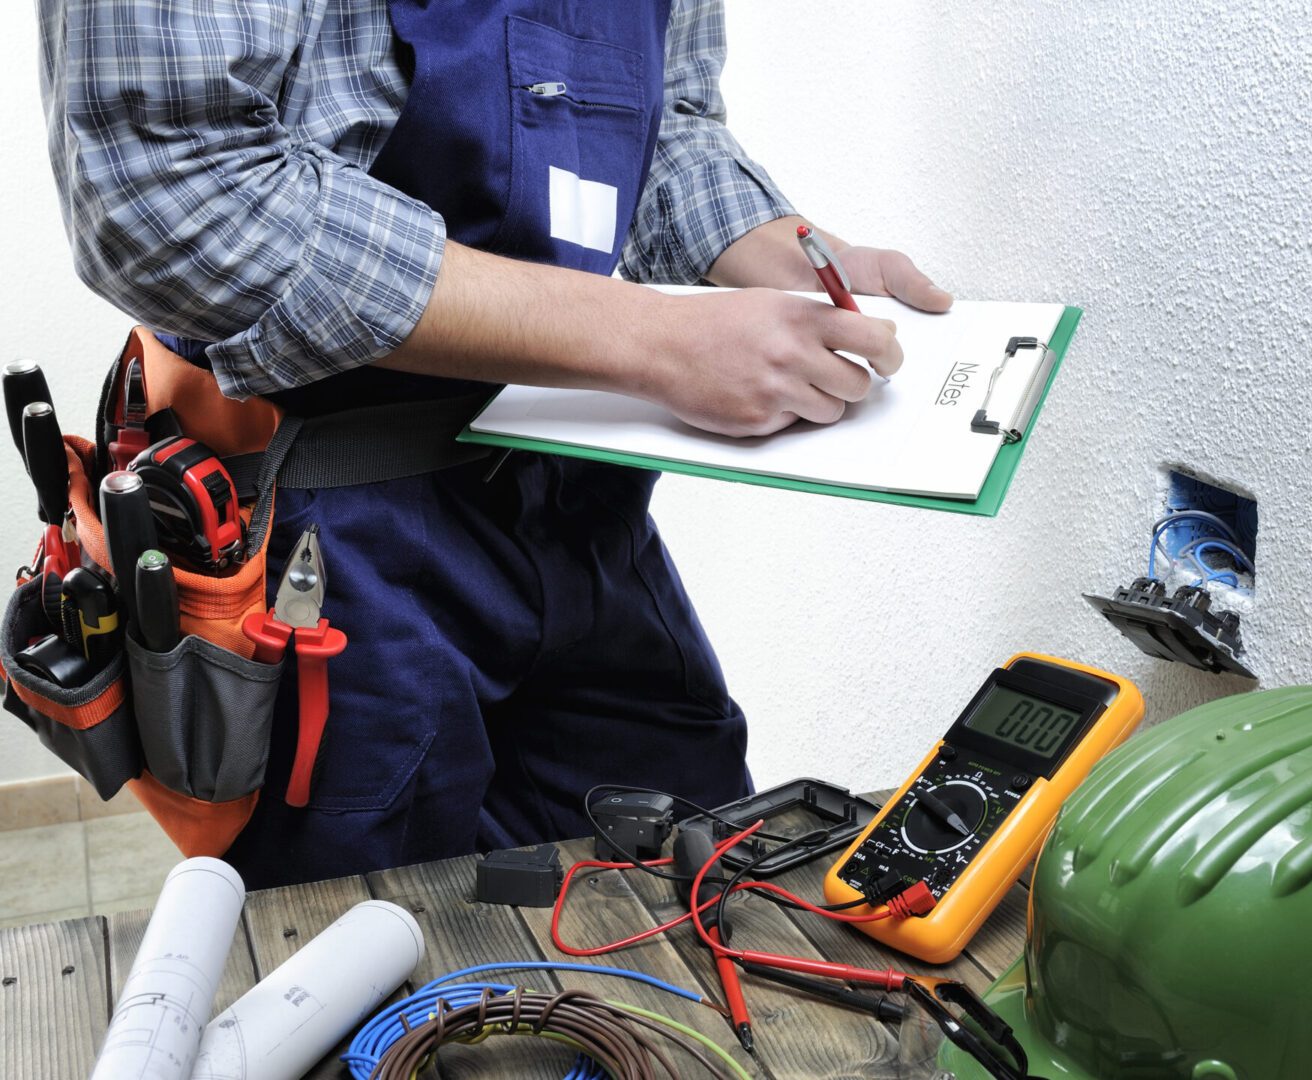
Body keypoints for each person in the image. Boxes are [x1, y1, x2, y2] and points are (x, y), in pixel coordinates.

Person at [38, 0, 952, 888]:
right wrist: (652, 341)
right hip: (322, 533)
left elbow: (661, 118)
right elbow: (172, 194)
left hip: (576, 499)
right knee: (365, 967)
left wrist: (769, 245)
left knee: (698, 897)